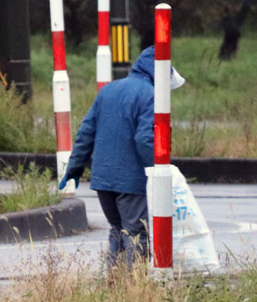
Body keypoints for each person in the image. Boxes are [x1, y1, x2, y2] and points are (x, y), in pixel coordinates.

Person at [60, 46, 185, 269]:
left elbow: (86, 132)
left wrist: (75, 168)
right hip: (131, 180)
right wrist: (160, 171)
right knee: (137, 235)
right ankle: (133, 291)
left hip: (102, 180)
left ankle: (113, 285)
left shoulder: (107, 90)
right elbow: (145, 139)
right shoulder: (151, 95)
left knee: (118, 229)